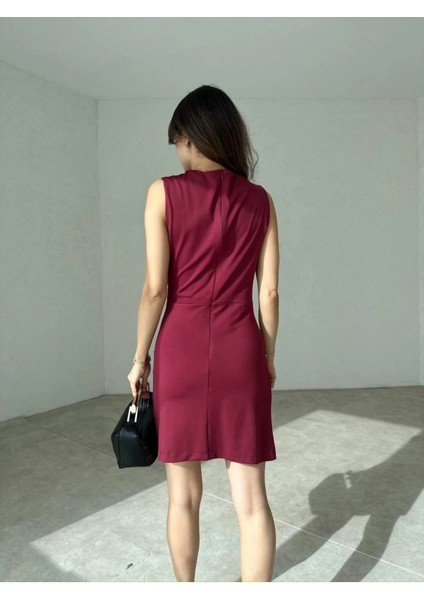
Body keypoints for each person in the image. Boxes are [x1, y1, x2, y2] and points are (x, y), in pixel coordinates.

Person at [127, 84, 280, 582]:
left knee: (183, 497)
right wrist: (267, 357)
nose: (178, 152)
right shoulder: (260, 201)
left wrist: (139, 358)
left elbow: (155, 289)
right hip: (241, 347)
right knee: (252, 501)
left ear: (190, 139)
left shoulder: (162, 193)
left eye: (177, 142)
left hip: (181, 348)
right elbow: (269, 293)